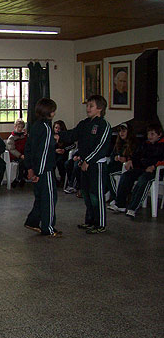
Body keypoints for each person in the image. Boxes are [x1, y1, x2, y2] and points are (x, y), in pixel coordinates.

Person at [58, 95, 111, 234]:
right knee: (86, 194)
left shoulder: (104, 125)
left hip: (96, 165)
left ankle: (100, 224)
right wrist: (59, 135)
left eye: (91, 106)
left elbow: (101, 147)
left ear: (100, 108)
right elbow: (73, 134)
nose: (88, 108)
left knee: (96, 195)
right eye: (87, 105)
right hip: (84, 163)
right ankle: (90, 221)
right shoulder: (84, 123)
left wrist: (89, 160)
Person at [108, 123, 164, 218]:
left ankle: (132, 208)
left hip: (155, 171)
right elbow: (137, 155)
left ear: (159, 135)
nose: (149, 136)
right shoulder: (145, 144)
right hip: (142, 168)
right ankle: (120, 204)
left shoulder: (162, 145)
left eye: (152, 134)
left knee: (143, 180)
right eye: (148, 134)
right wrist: (131, 160)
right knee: (126, 176)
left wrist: (154, 166)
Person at [24, 98, 62, 238]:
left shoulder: (35, 126)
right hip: (44, 170)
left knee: (40, 197)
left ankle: (33, 221)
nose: (54, 113)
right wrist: (38, 172)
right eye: (53, 110)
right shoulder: (46, 128)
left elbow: (29, 148)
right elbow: (44, 152)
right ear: (49, 112)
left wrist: (30, 168)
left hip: (36, 168)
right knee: (50, 199)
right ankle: (49, 228)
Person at [106, 122, 138, 203]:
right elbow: (112, 155)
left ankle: (116, 198)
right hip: (116, 165)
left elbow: (135, 157)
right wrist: (115, 158)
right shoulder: (118, 143)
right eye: (120, 131)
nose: (121, 133)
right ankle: (111, 194)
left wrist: (126, 159)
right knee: (104, 170)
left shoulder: (134, 143)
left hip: (126, 168)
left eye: (123, 131)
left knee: (109, 174)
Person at [53, 120, 76, 187]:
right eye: (56, 128)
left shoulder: (66, 136)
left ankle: (63, 179)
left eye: (59, 128)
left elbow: (73, 145)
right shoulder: (51, 137)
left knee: (60, 161)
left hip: (64, 154)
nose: (57, 130)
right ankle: (54, 180)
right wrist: (55, 150)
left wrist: (64, 150)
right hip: (54, 153)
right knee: (51, 161)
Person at [6, 118, 28, 188]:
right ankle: (19, 178)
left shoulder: (24, 136)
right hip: (15, 156)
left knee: (30, 162)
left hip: (24, 155)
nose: (20, 129)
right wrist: (20, 155)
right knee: (22, 162)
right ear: (15, 127)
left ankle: (24, 177)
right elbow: (11, 149)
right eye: (18, 127)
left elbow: (27, 145)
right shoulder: (12, 137)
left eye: (21, 127)